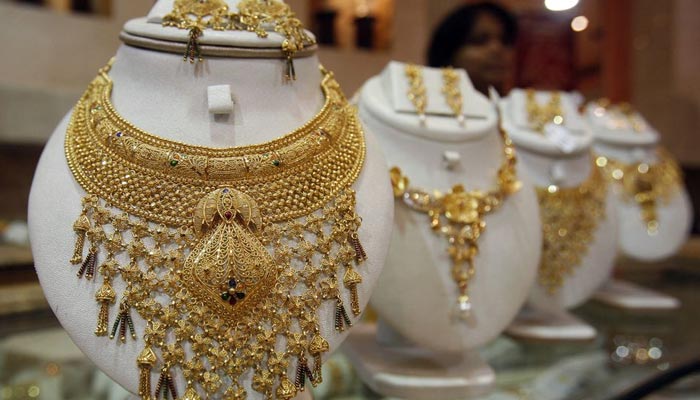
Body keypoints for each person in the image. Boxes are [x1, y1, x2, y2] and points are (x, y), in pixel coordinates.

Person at [428, 2, 518, 96]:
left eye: (505, 41)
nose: (497, 49)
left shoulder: (522, 107)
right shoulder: (425, 106)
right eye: (479, 41)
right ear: (448, 55)